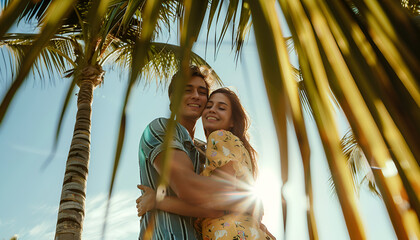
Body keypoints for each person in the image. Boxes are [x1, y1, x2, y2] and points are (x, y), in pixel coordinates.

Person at [137, 88, 275, 240]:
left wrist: (157, 201)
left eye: (221, 108)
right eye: (209, 106)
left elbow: (215, 206)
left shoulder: (220, 137)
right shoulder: (214, 150)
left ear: (232, 121)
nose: (212, 110)